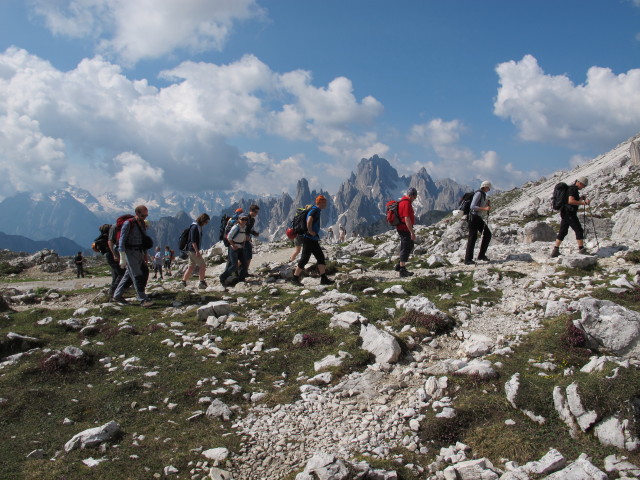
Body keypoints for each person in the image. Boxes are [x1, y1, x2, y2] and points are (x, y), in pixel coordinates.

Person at [112, 205, 153, 307]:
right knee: (137, 274)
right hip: (129, 252)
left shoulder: (142, 224)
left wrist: (145, 254)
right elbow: (122, 240)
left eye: (146, 215)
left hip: (139, 251)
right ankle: (142, 299)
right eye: (143, 215)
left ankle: (117, 295)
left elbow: (143, 240)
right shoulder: (128, 223)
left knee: (132, 274)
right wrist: (122, 257)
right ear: (137, 213)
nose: (145, 217)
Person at [292, 195, 334, 285]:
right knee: (304, 259)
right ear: (320, 202)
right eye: (324, 202)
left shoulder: (316, 210)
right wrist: (310, 230)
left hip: (313, 239)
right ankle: (295, 279)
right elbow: (309, 219)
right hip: (309, 239)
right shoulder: (315, 210)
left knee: (320, 257)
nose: (326, 204)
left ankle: (323, 278)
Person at [551, 177, 591, 257]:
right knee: (579, 230)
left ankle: (555, 250)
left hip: (565, 212)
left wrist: (580, 198)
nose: (583, 187)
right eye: (584, 185)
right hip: (569, 213)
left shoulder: (570, 188)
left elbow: (568, 200)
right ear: (580, 183)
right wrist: (584, 203)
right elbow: (570, 201)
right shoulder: (574, 189)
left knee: (563, 231)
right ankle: (581, 249)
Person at [464, 181, 492, 265]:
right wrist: (485, 209)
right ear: (485, 187)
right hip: (473, 217)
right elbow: (472, 206)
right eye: (488, 188)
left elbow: (478, 205)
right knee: (472, 237)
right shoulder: (479, 194)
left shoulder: (483, 194)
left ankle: (481, 255)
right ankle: (468, 259)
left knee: (487, 234)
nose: (489, 189)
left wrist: (486, 204)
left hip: (477, 217)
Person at [220, 212, 249, 286]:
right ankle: (223, 277)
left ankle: (241, 279)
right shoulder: (235, 227)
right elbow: (229, 237)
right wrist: (233, 245)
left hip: (240, 248)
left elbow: (243, 236)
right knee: (234, 265)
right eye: (243, 219)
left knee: (245, 263)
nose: (244, 221)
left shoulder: (244, 227)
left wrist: (243, 243)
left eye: (246, 219)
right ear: (239, 219)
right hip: (234, 248)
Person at [181, 213, 210, 289]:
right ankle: (201, 282)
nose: (206, 224)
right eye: (206, 222)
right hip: (193, 250)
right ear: (203, 220)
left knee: (191, 267)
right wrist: (197, 251)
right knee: (203, 265)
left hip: (191, 250)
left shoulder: (197, 226)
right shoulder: (194, 227)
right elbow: (193, 241)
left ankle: (183, 282)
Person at [395, 187, 418, 277]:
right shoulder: (406, 203)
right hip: (405, 228)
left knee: (409, 245)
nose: (415, 199)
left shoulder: (402, 201)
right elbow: (407, 219)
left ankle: (400, 264)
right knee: (406, 246)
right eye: (415, 197)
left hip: (402, 228)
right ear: (411, 195)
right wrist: (411, 232)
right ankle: (402, 270)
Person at [243, 205, 260, 276]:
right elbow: (242, 229)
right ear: (251, 211)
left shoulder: (252, 220)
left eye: (257, 212)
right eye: (255, 211)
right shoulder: (245, 218)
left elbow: (249, 230)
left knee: (248, 256)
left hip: (246, 239)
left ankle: (244, 272)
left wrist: (254, 233)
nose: (256, 213)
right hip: (243, 240)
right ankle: (236, 272)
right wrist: (245, 236)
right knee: (245, 257)